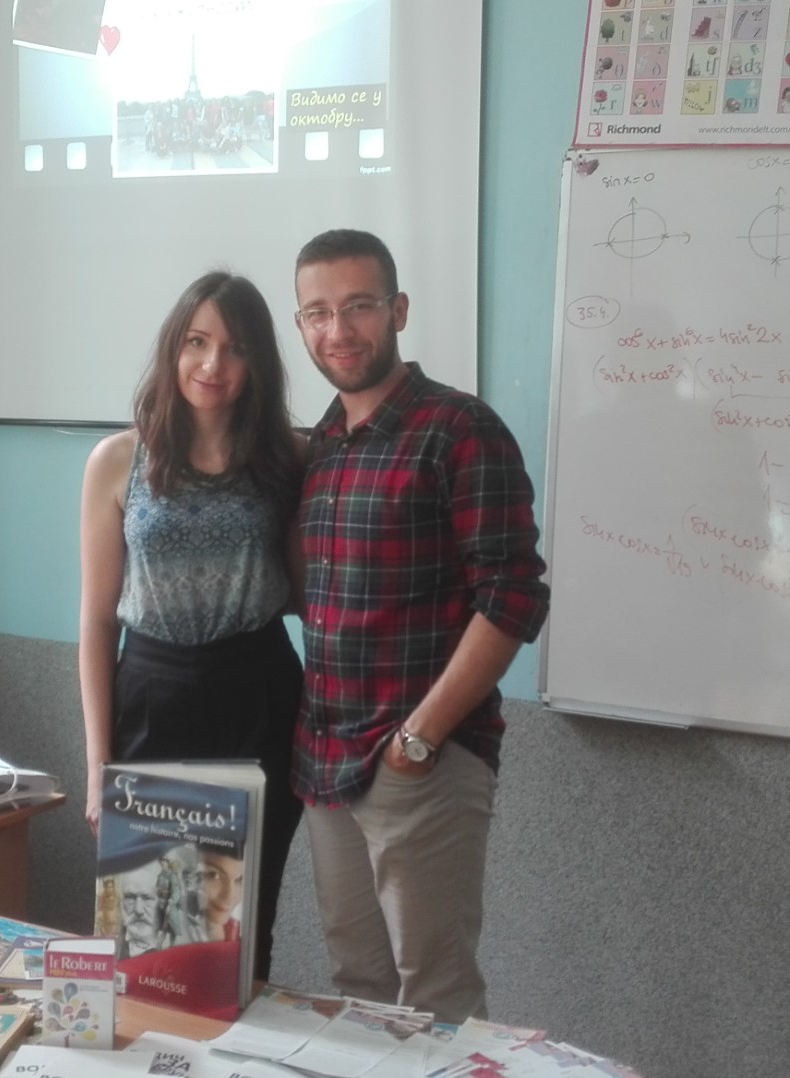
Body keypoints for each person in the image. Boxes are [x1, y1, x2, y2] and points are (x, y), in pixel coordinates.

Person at [289, 229, 550, 1024]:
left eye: (359, 306)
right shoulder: (318, 448)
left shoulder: (460, 429)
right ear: (300, 326)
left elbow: (513, 596)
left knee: (436, 999)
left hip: (419, 764)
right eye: (318, 313)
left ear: (398, 310)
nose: (339, 330)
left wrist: (420, 739)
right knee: (358, 987)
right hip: (327, 766)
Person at [78, 270, 307, 982]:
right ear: (173, 348)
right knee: (151, 937)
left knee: (240, 933)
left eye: (235, 349)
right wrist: (97, 763)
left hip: (258, 694)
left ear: (258, 363)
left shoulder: (289, 459)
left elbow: (307, 592)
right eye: (197, 343)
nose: (213, 365)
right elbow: (96, 622)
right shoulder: (119, 460)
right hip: (153, 697)